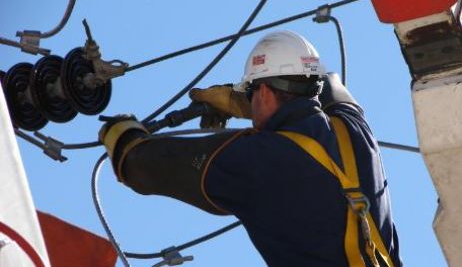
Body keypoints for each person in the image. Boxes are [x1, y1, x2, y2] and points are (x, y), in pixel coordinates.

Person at [99, 31, 402, 266]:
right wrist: (241, 101)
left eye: (252, 91)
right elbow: (331, 85)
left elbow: (139, 165)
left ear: (266, 92)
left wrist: (120, 132)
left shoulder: (257, 160)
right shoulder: (353, 128)